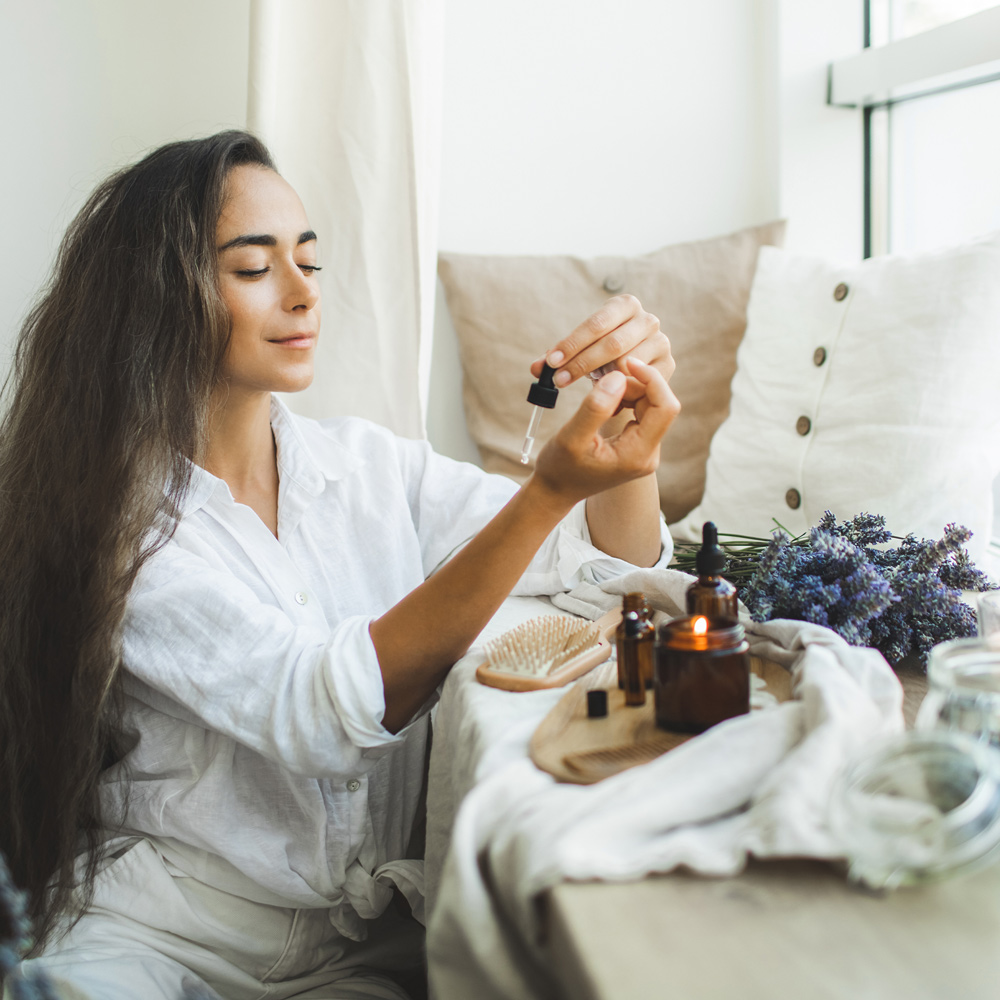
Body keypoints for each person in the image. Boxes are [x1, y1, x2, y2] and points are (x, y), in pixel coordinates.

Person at [0, 130, 679, 999]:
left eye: (309, 264)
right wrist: (546, 490)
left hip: (358, 958)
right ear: (156, 296)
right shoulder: (121, 525)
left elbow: (584, 563)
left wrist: (634, 450)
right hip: (166, 937)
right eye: (254, 270)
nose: (301, 295)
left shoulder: (368, 468)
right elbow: (322, 709)